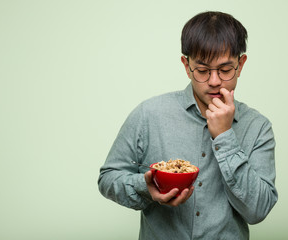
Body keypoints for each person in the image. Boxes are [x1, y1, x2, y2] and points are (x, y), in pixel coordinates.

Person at [98, 11, 278, 240]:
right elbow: (108, 178)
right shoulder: (149, 114)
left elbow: (258, 210)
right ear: (186, 65)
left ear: (240, 65)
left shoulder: (258, 127)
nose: (214, 81)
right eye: (202, 70)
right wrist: (146, 188)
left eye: (225, 69)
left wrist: (225, 137)